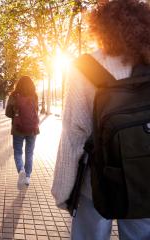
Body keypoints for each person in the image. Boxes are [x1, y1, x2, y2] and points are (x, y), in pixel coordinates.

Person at [52, 0, 150, 239]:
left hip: (95, 183)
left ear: (100, 27)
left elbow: (74, 134)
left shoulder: (86, 67)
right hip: (144, 179)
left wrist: (63, 192)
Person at [5, 76, 39, 187]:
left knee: (18, 152)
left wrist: (16, 115)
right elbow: (36, 111)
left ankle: (21, 171)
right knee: (29, 153)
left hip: (18, 129)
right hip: (32, 129)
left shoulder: (14, 95)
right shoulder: (34, 95)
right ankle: (28, 177)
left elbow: (8, 113)